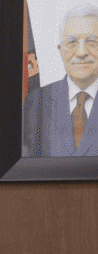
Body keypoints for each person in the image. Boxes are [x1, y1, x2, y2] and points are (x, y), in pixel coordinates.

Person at [23, 4, 98, 156]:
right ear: (61, 50)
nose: (81, 52)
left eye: (92, 41)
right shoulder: (36, 102)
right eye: (72, 42)